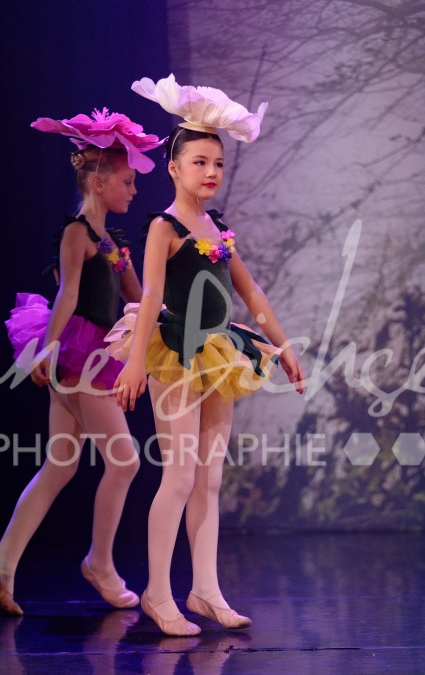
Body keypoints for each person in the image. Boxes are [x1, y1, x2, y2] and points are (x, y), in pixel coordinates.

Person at [105, 75, 305, 636]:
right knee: (178, 476)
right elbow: (149, 296)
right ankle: (157, 593)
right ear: (174, 167)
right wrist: (136, 361)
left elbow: (251, 291)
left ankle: (205, 589)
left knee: (209, 479)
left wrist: (284, 346)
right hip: (176, 349)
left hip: (219, 350)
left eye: (217, 162)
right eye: (199, 162)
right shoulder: (163, 226)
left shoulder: (217, 227)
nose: (211, 171)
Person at [0, 107, 160, 616]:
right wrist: (46, 348)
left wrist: (174, 313)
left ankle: (1, 562)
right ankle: (99, 562)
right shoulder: (77, 234)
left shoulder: (113, 243)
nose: (134, 190)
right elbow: (68, 295)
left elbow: (140, 300)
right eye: (126, 181)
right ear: (98, 183)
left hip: (91, 353)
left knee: (60, 464)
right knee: (124, 461)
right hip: (82, 353)